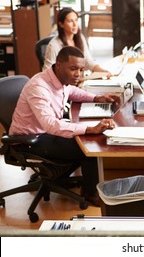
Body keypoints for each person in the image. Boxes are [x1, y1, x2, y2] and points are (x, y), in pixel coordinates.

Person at [9, 46, 119, 206]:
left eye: (81, 70)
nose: (78, 74)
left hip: (44, 133)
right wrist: (89, 129)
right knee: (89, 144)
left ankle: (61, 177)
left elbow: (73, 92)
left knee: (84, 138)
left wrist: (97, 98)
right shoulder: (39, 87)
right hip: (29, 140)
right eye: (73, 69)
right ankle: (90, 193)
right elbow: (50, 124)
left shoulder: (62, 80)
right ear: (58, 65)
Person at [43, 7, 111, 77]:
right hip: (63, 85)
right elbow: (47, 73)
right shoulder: (54, 46)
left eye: (76, 20)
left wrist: (104, 71)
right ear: (61, 24)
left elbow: (88, 62)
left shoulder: (80, 38)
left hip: (79, 82)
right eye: (70, 21)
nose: (75, 24)